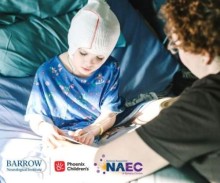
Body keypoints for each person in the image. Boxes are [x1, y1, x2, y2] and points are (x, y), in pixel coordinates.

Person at [51, 0, 220, 182]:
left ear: (205, 53)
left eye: (176, 46)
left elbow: (111, 165)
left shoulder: (205, 102)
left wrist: (65, 151)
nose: (177, 52)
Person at [25, 0, 124, 146]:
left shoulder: (110, 68)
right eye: (83, 53)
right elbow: (35, 116)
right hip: (62, 139)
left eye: (100, 57)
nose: (90, 63)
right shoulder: (47, 73)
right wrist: (46, 129)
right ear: (73, 43)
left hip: (97, 132)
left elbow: (110, 112)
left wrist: (93, 130)